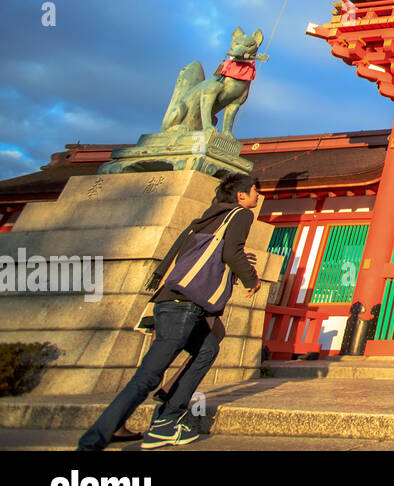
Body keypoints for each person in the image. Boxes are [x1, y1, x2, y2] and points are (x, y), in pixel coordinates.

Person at [77, 174, 261, 451]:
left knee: (207, 349)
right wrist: (251, 278)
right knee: (148, 376)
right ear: (241, 196)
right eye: (256, 191)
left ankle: (166, 421)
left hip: (173, 301)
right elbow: (231, 252)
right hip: (184, 305)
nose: (258, 196)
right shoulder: (241, 214)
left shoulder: (206, 218)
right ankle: (93, 441)